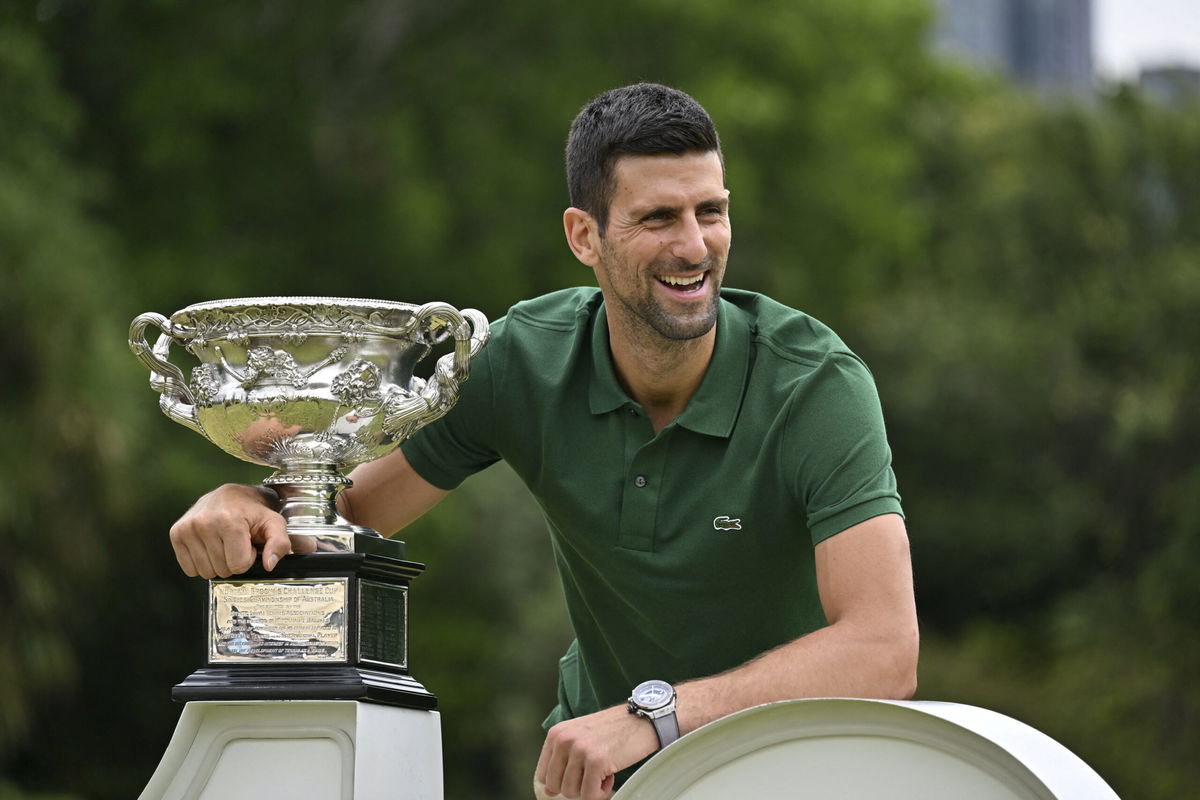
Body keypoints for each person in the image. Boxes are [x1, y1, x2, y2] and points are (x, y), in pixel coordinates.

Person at [169, 82, 919, 800]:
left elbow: (885, 649)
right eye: (659, 217)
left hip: (801, 775)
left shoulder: (816, 384)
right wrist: (250, 499)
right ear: (583, 235)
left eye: (711, 211)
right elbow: (351, 518)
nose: (695, 247)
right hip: (603, 784)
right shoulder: (521, 360)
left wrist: (652, 718)